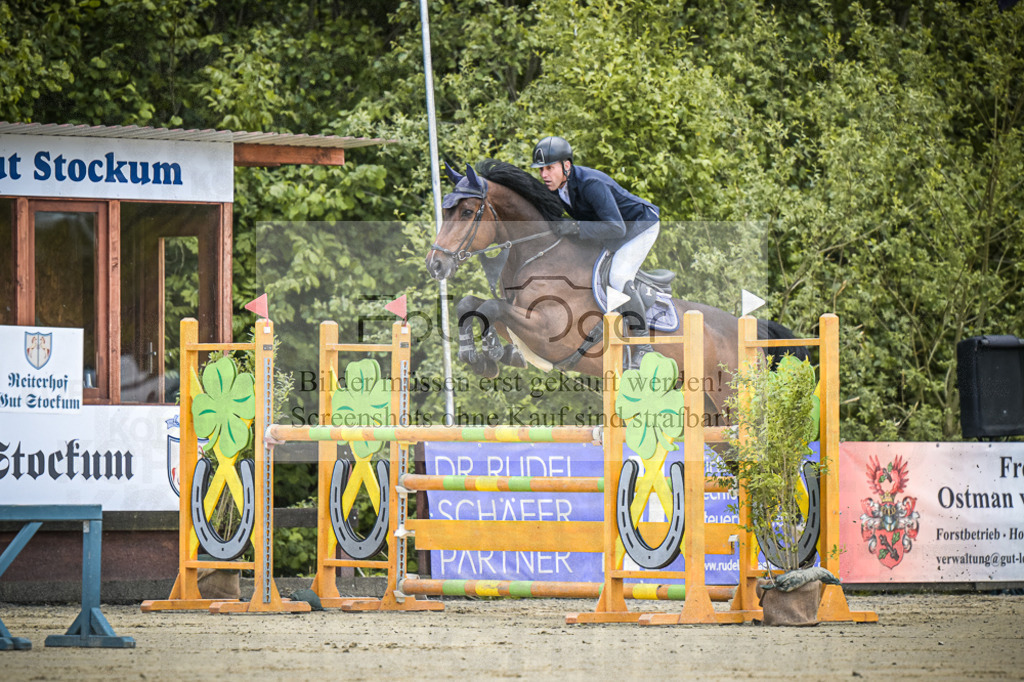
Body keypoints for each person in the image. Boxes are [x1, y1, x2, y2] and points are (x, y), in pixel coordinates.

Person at [531, 135, 660, 366]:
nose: (544, 175)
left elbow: (616, 227)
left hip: (640, 226)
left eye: (549, 168)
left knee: (618, 276)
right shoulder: (556, 188)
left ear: (566, 166)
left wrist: (576, 227)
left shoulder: (591, 184)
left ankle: (643, 346)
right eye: (541, 170)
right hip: (611, 231)